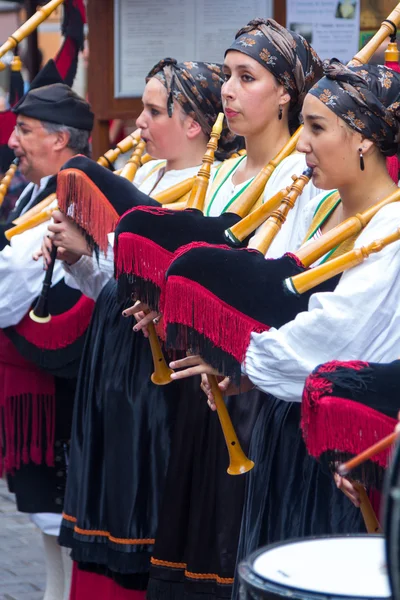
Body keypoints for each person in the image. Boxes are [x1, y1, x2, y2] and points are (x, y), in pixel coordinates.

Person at [167, 59, 400, 597]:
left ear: (363, 138)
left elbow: (336, 333)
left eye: (317, 128)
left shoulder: (390, 229)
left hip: (334, 458)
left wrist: (237, 354)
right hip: (284, 428)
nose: (301, 145)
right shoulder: (323, 211)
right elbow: (274, 291)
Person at [123, 19, 325, 600]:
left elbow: (272, 289)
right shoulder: (226, 169)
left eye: (247, 77)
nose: (228, 92)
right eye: (228, 76)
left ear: (286, 91)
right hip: (197, 386)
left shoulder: (300, 179)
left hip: (250, 391)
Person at [46, 59, 240, 600]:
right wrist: (74, 256)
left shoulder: (208, 190)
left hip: (154, 371)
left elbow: (164, 282)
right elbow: (105, 287)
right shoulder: (145, 176)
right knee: (103, 481)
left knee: (139, 491)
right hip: (113, 353)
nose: (139, 124)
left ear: (194, 125)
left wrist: (95, 250)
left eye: (154, 112)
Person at [0, 73, 93, 600]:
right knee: (45, 525)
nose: (13, 140)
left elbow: (9, 292)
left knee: (62, 522)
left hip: (59, 389)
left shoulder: (77, 195)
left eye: (26, 129)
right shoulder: (37, 189)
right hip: (33, 381)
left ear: (60, 140)